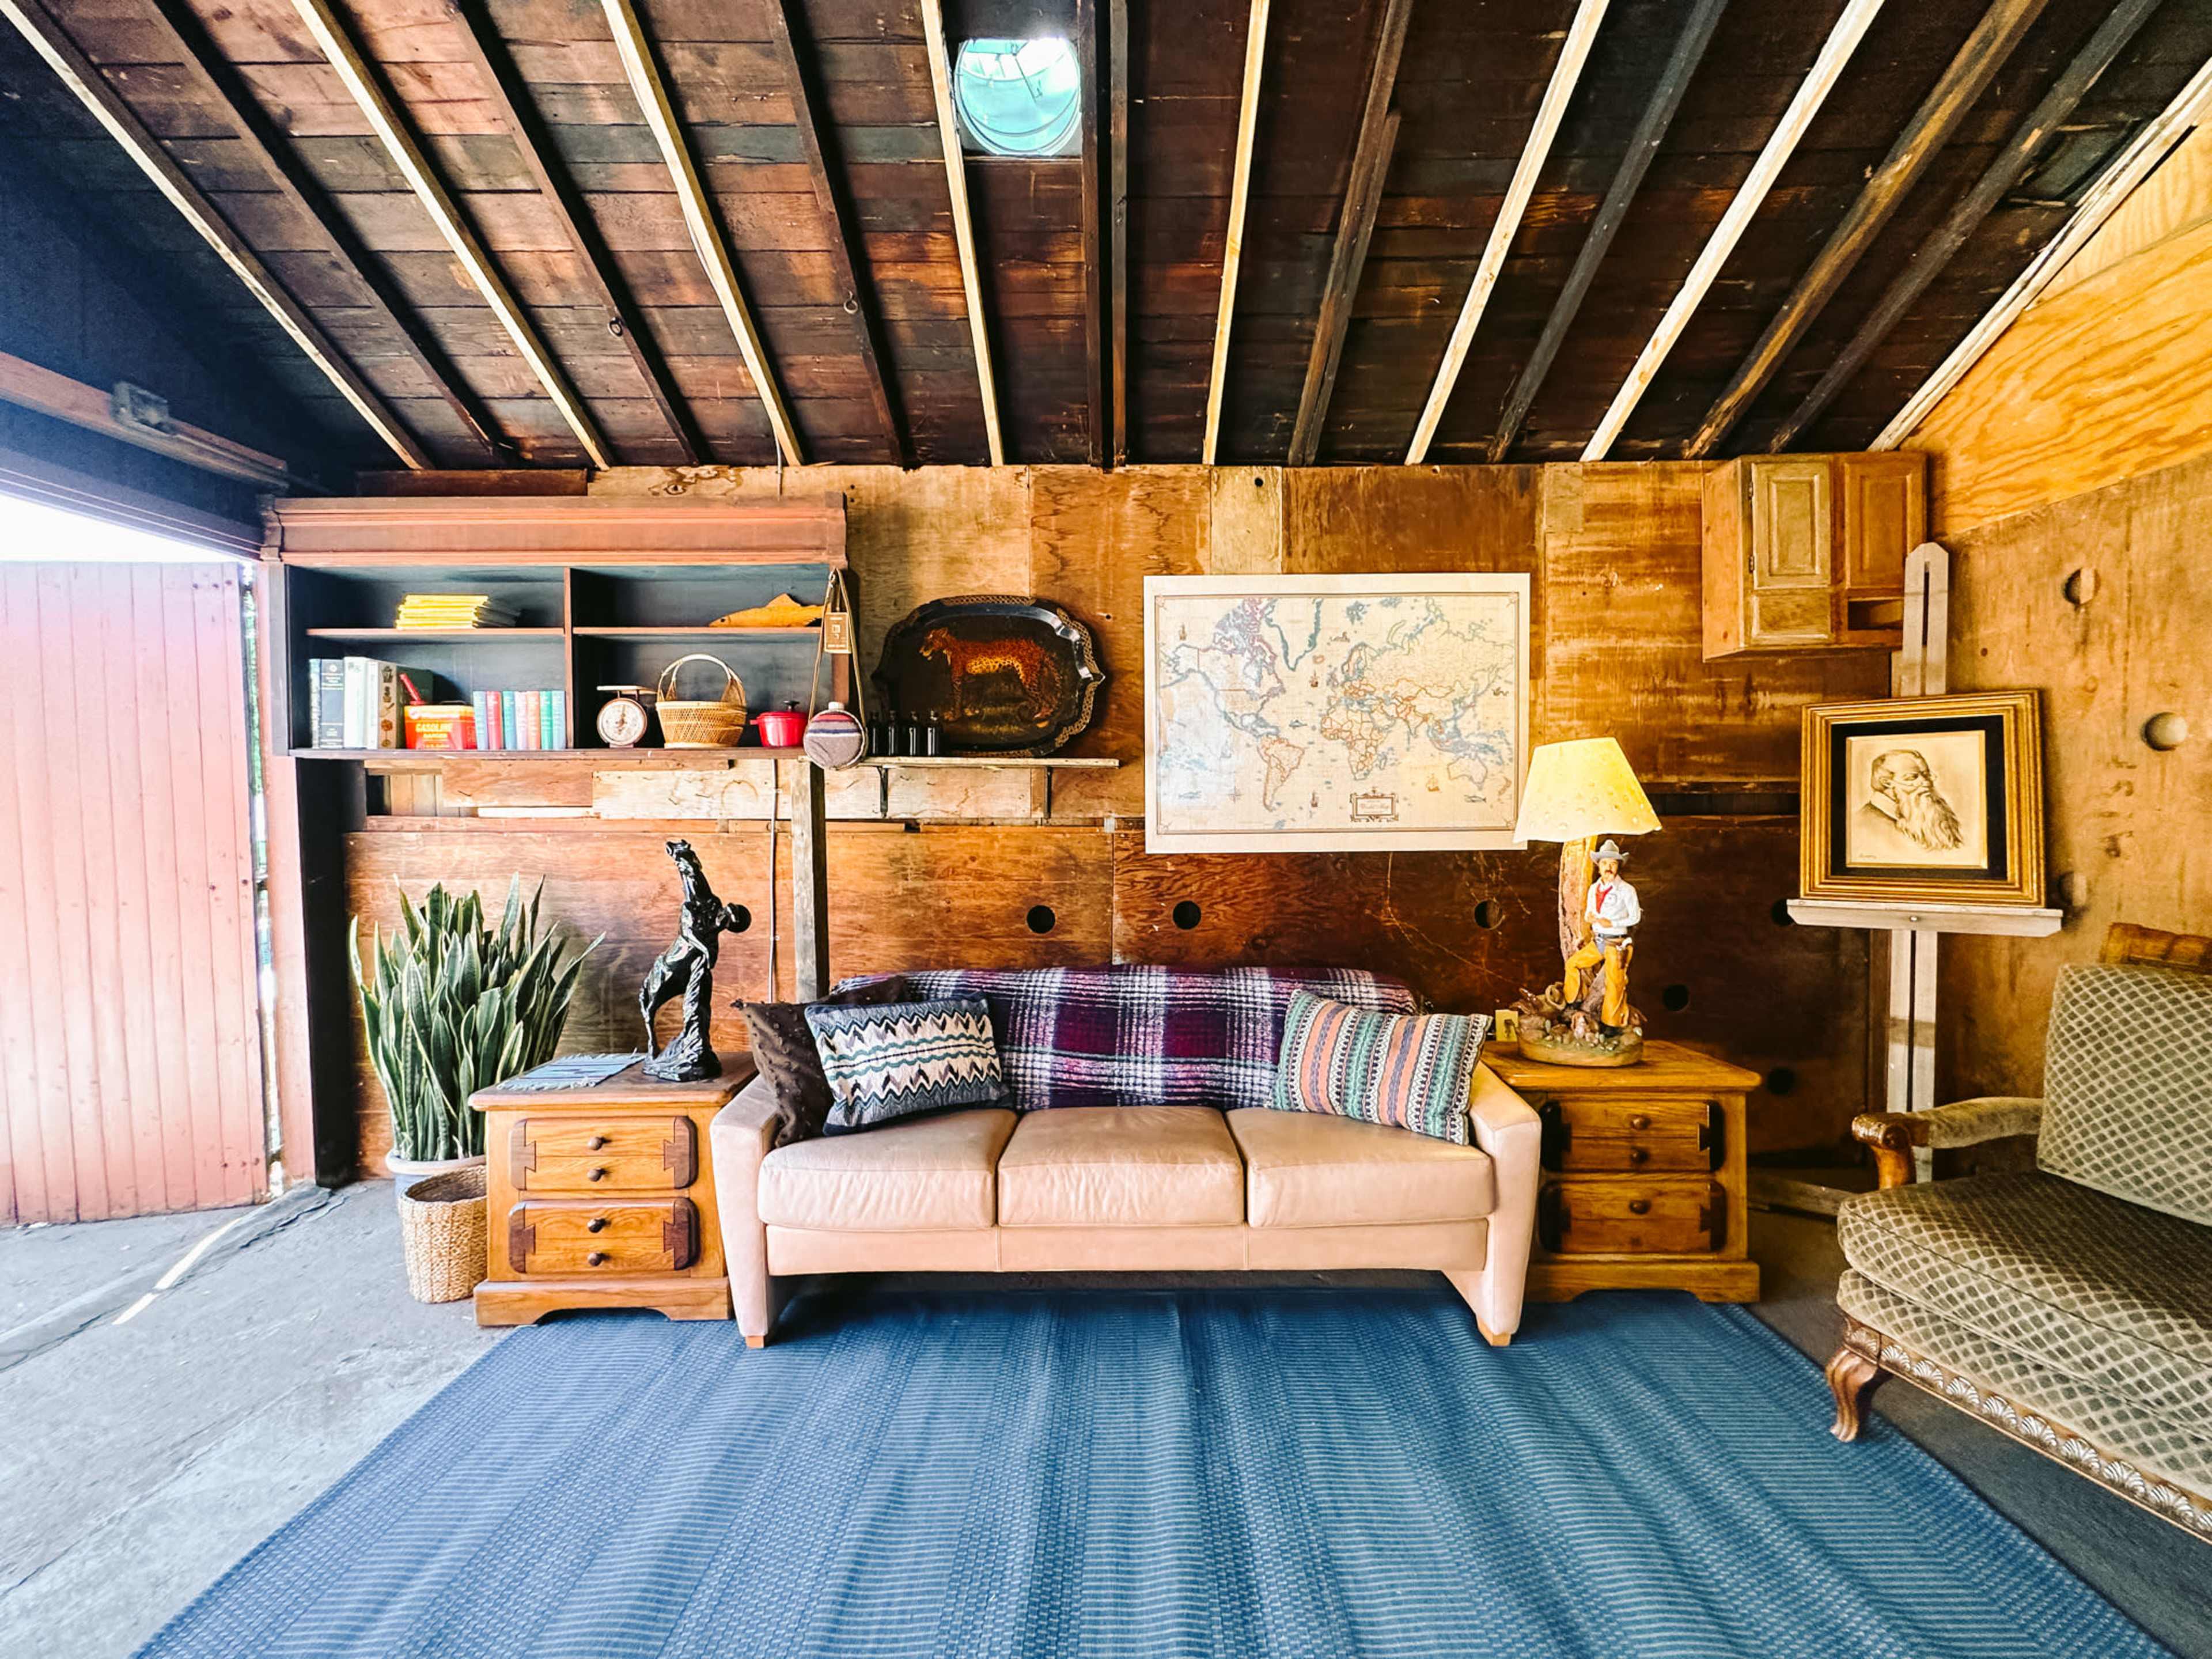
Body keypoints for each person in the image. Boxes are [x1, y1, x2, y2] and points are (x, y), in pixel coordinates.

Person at [1562, 839, 1639, 1029]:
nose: (1609, 868)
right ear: (1598, 866)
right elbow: (1590, 912)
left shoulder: (1627, 890)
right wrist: (1590, 917)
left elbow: (1635, 917)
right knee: (1574, 964)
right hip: (1598, 941)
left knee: (1614, 984)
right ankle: (1575, 1001)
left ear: (1618, 866)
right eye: (1605, 863)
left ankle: (1610, 1025)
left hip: (1616, 943)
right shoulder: (1594, 888)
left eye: (1613, 864)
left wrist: (1612, 923)